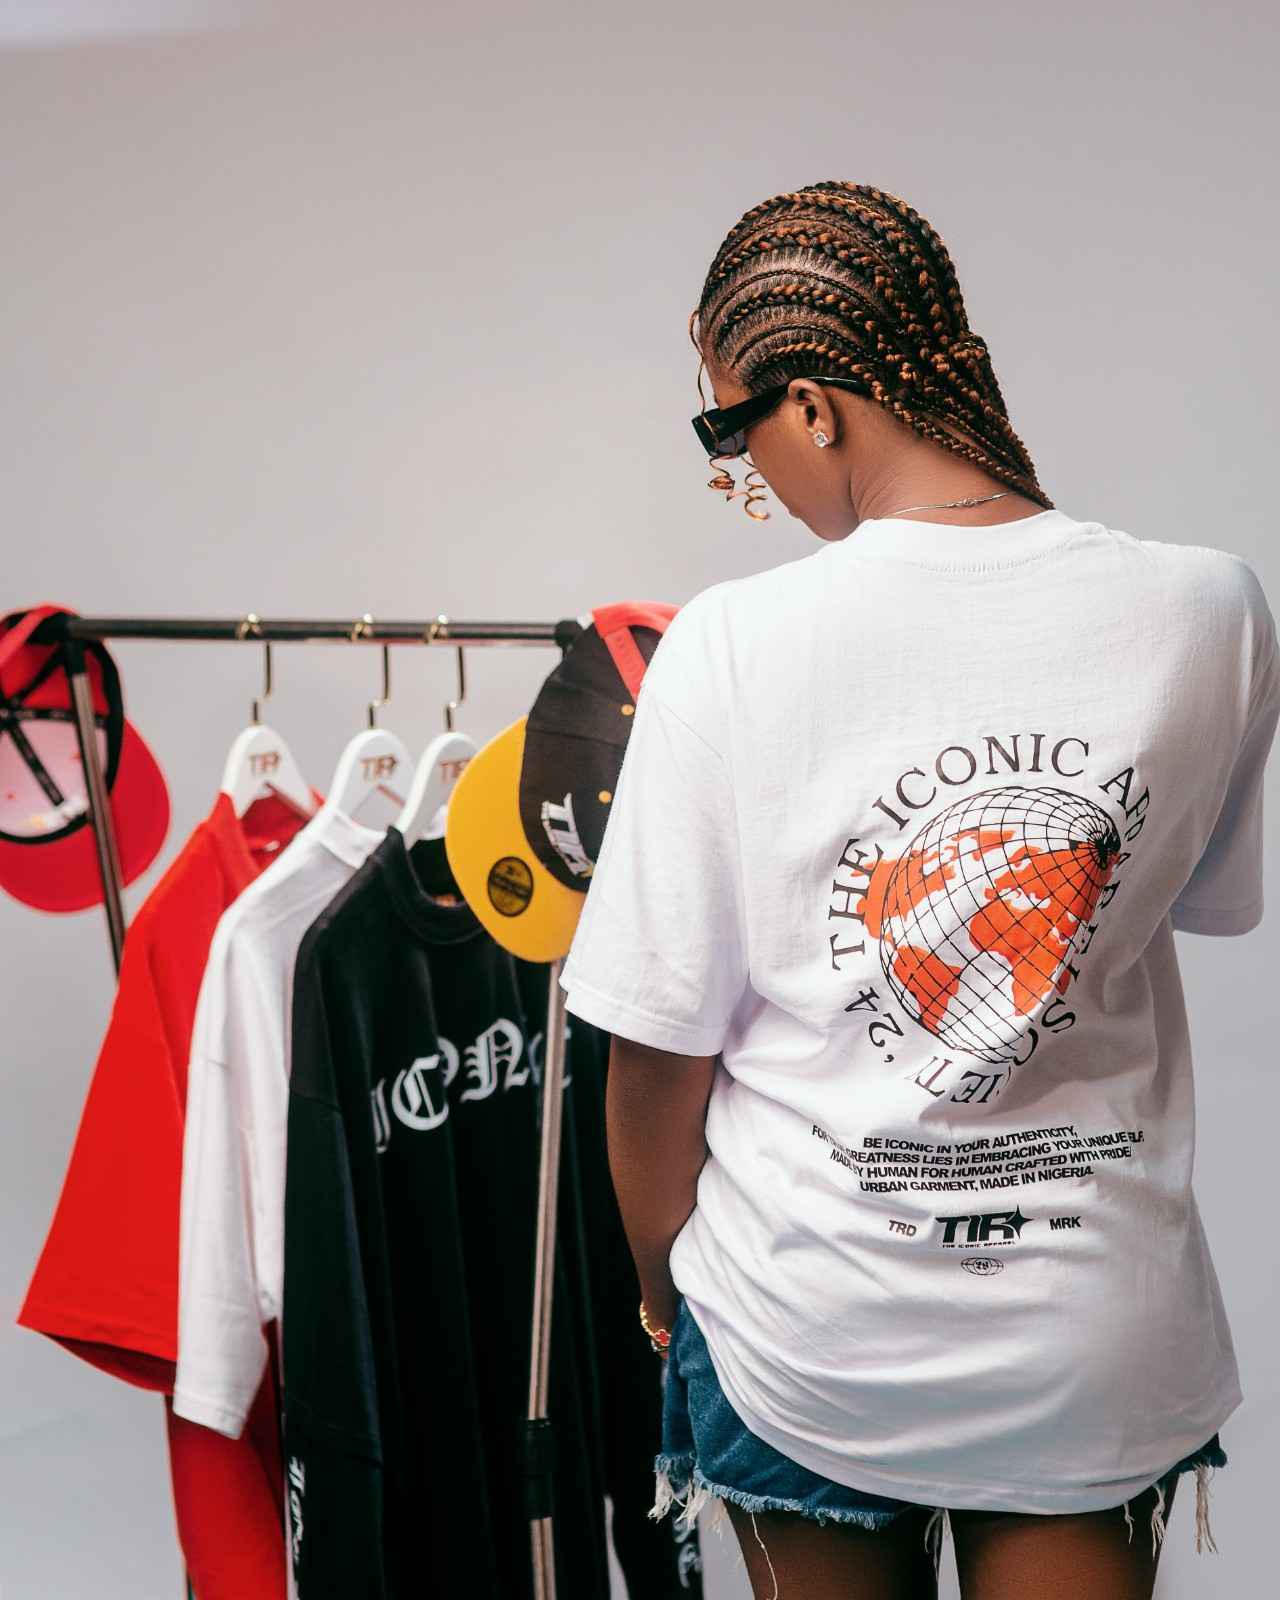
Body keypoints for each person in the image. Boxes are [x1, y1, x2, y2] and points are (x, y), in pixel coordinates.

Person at [557, 181, 1277, 1599]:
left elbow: (655, 1054)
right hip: (1091, 1333)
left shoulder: (732, 645)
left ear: (812, 408)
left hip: (808, 1322)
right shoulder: (1213, 610)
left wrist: (659, 1288)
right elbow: (1173, 899)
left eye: (732, 434)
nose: (749, 476)